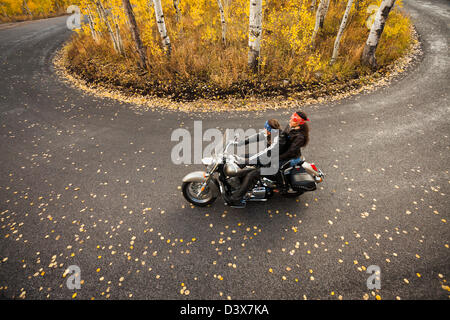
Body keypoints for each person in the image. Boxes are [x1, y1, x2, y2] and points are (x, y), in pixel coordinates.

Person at [226, 119, 285, 207]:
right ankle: (239, 182)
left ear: (270, 130)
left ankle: (235, 198)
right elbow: (257, 136)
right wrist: (239, 143)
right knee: (243, 156)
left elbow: (266, 153)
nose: (264, 129)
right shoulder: (270, 133)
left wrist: (246, 162)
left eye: (265, 128)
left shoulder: (279, 139)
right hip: (268, 158)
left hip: (273, 164)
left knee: (251, 174)